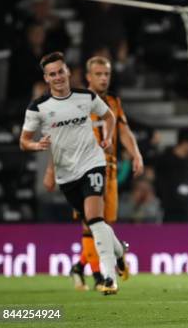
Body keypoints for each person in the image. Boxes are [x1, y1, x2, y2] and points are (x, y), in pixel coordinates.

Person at [20, 51, 124, 294]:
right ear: (46, 78)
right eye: (52, 74)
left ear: (68, 72)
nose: (58, 77)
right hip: (67, 175)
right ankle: (119, 251)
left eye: (60, 71)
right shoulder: (38, 108)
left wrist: (107, 137)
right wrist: (37, 146)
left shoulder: (85, 97)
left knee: (96, 219)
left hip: (93, 163)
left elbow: (108, 117)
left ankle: (108, 279)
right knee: (93, 220)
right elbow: (23, 141)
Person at [43, 56, 144, 290]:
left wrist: (136, 153)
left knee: (101, 223)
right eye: (98, 74)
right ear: (88, 77)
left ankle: (81, 267)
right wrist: (52, 168)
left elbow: (124, 129)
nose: (103, 78)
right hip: (82, 169)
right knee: (92, 223)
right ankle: (101, 277)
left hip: (109, 168)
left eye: (106, 74)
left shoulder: (113, 101)